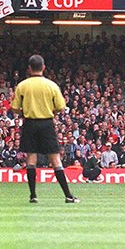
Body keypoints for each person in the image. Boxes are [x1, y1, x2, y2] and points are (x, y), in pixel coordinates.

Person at [11, 54, 79, 203]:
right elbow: (61, 107)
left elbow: (15, 108)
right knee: (55, 160)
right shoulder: (51, 85)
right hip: (47, 123)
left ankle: (33, 195)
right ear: (43, 68)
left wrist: (25, 111)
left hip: (29, 123)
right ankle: (68, 195)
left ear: (29, 69)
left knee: (31, 159)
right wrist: (51, 112)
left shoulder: (22, 86)